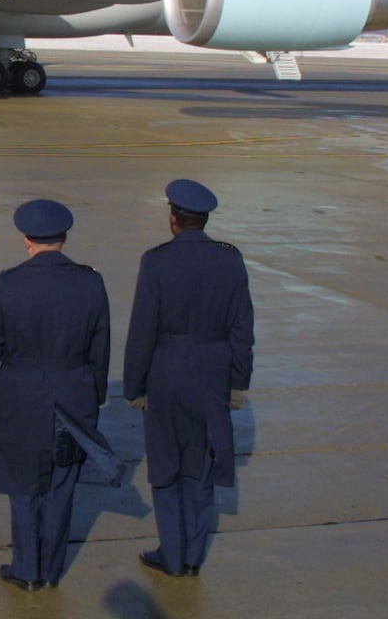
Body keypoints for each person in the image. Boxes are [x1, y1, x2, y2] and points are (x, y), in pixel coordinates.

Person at [0, 199, 114, 592]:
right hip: (74, 393)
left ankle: (26, 568)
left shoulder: (6, 283)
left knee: (23, 485)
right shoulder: (91, 281)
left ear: (26, 239)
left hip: (19, 396)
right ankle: (50, 570)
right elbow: (101, 347)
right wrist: (95, 395)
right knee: (61, 487)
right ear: (64, 238)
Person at [124, 178, 255, 579]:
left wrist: (135, 386)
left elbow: (143, 327)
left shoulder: (157, 260)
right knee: (200, 464)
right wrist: (238, 381)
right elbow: (242, 327)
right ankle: (193, 555)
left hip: (167, 367)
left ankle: (173, 553)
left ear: (173, 218)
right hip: (213, 369)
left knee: (166, 464)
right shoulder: (230, 258)